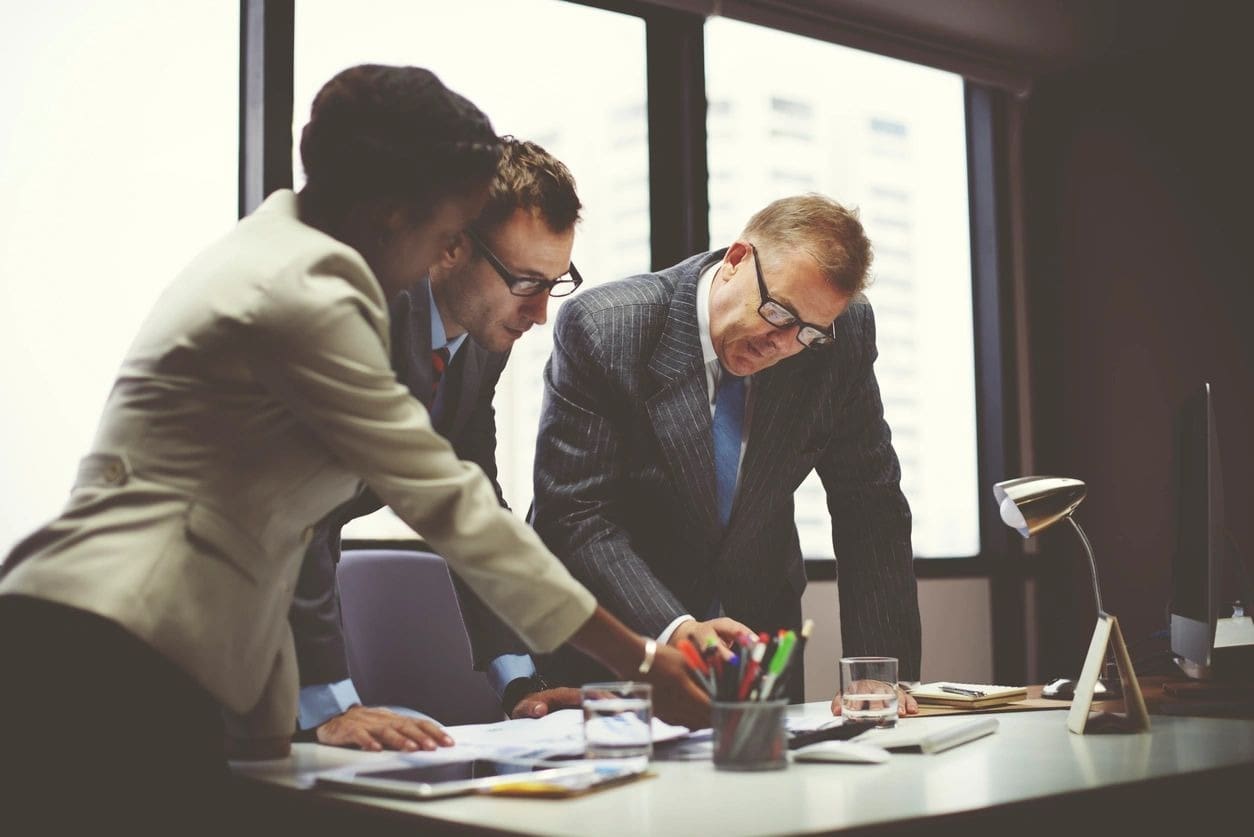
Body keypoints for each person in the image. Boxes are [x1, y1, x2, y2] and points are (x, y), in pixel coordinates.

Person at [0, 65, 707, 829]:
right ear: (391, 216)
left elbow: (318, 510)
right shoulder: (310, 291)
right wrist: (638, 659)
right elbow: (446, 501)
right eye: (444, 235)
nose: (443, 257)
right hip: (107, 642)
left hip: (162, 647)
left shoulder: (292, 251)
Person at [527, 193, 922, 713]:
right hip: (620, 646)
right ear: (736, 261)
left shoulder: (839, 337)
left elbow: (870, 505)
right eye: (778, 312)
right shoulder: (607, 328)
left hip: (757, 643)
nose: (781, 344)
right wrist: (675, 628)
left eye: (807, 333)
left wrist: (878, 674)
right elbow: (576, 516)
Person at [292, 137, 589, 752]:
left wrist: (520, 683)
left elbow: (471, 507)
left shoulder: (482, 343)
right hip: (206, 600)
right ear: (451, 247)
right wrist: (329, 701)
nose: (538, 315)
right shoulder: (357, 313)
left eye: (555, 284)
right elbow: (298, 515)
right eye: (525, 282)